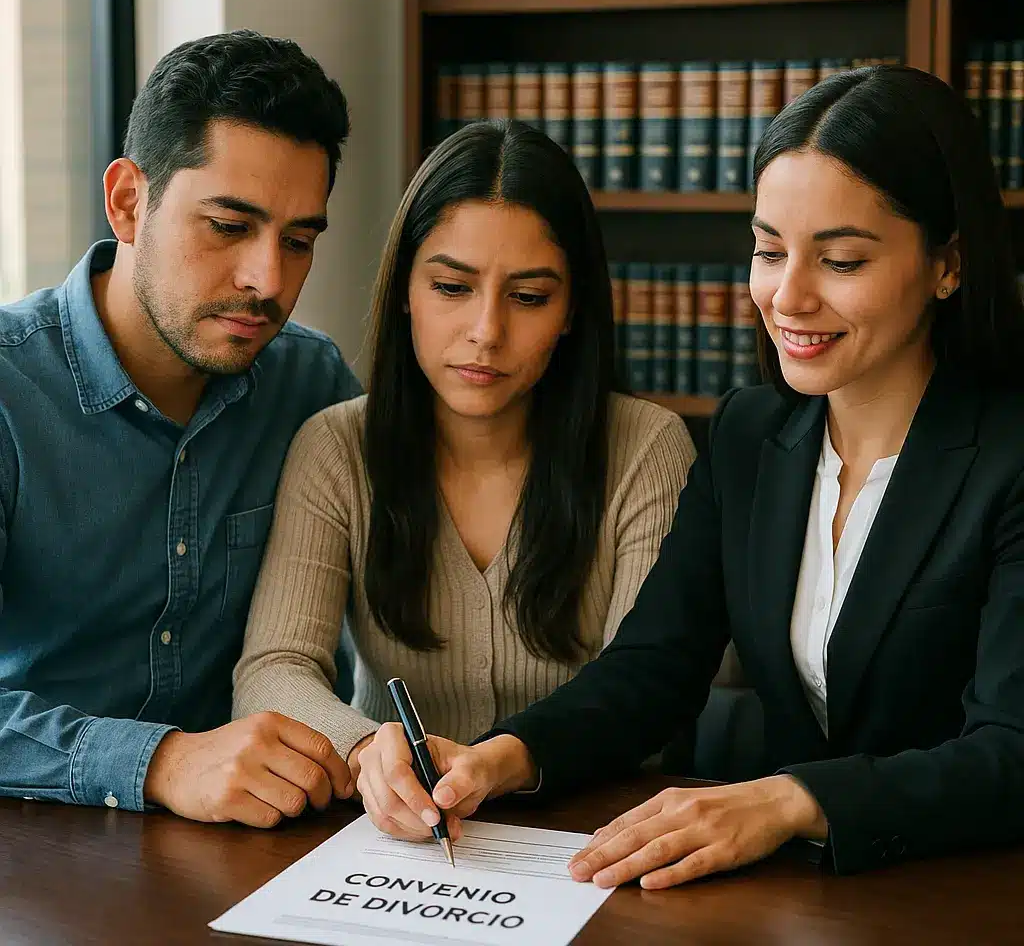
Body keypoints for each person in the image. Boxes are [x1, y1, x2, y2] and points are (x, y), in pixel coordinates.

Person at [355, 65, 1024, 880]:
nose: (789, 296)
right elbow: (654, 668)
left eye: (841, 261)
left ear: (947, 264)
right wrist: (507, 757)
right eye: (769, 252)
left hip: (968, 891)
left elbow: (1011, 752)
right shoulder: (751, 434)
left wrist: (790, 800)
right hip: (797, 898)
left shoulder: (1008, 457)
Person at [232, 119, 696, 827]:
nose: (486, 330)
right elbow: (273, 669)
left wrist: (506, 759)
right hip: (404, 832)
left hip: (596, 834)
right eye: (452, 286)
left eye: (530, 297)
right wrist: (364, 752)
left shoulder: (646, 449)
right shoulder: (336, 447)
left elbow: (644, 691)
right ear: (405, 290)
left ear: (572, 311)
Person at [0, 30, 363, 827]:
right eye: (229, 226)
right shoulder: (7, 392)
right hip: (36, 857)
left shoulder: (312, 385)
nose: (267, 280)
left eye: (298, 241)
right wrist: (159, 761)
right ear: (130, 202)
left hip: (263, 848)